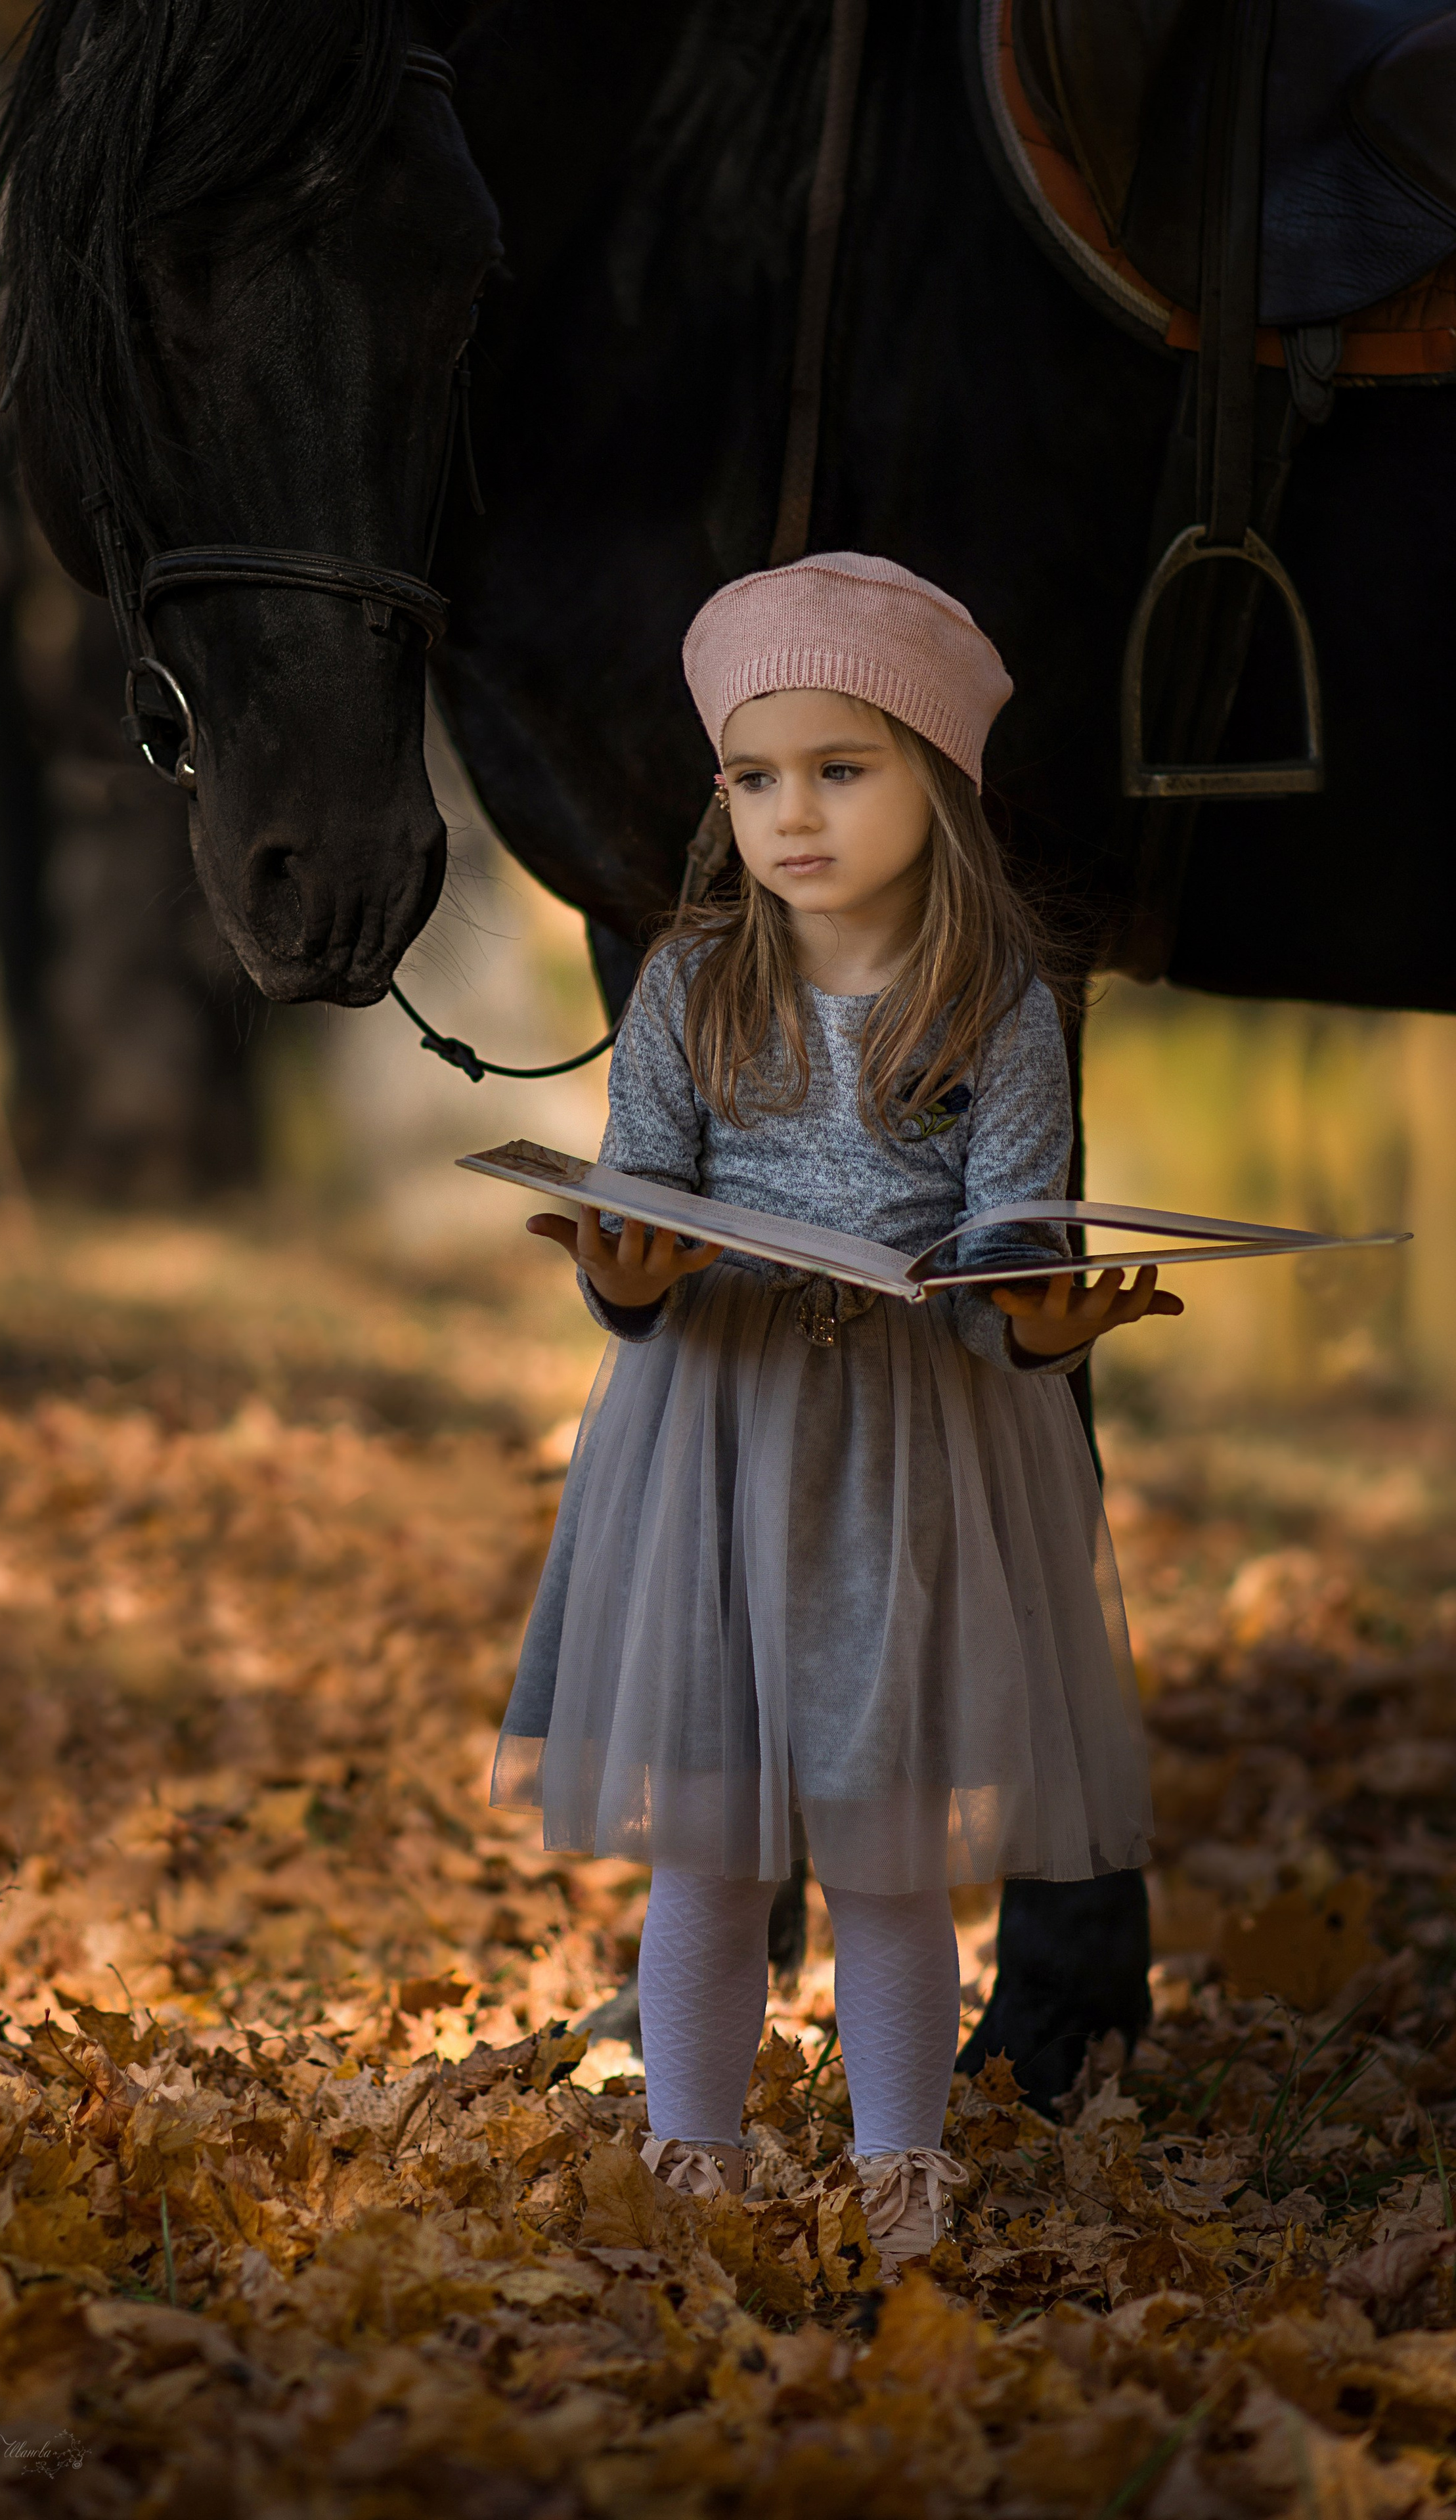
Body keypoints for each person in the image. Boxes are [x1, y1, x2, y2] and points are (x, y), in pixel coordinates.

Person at [491, 553, 1173, 2273]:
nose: (791, 814)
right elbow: (641, 1208)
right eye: (755, 776)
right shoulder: (693, 985)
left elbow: (1013, 1233)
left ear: (937, 779)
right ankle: (689, 2159)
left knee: (884, 1851)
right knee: (709, 1850)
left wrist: (1040, 1323)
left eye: (841, 769)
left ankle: (900, 2174)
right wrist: (626, 1283)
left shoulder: (997, 1003)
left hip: (908, 1458)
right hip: (715, 1446)